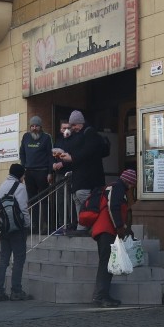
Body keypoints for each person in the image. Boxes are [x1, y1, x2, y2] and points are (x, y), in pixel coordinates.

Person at [89, 169, 137, 307]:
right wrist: (120, 227)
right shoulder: (118, 187)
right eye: (132, 184)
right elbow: (114, 207)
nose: (132, 187)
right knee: (105, 264)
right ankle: (100, 296)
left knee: (107, 264)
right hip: (106, 230)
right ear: (129, 182)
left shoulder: (115, 186)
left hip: (104, 230)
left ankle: (103, 295)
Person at [57, 110, 106, 234]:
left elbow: (87, 152)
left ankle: (91, 231)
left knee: (88, 210)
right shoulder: (80, 135)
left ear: (80, 123)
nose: (72, 128)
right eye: (71, 125)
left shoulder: (89, 133)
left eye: (74, 125)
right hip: (78, 183)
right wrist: (68, 156)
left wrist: (72, 157)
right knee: (83, 213)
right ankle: (82, 231)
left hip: (85, 182)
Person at [0, 164, 34, 302]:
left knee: (3, 259)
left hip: (3, 228)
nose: (24, 178)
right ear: (20, 175)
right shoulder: (20, 188)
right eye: (23, 175)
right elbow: (23, 209)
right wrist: (27, 225)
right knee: (18, 259)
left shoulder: (2, 186)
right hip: (17, 229)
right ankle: (16, 291)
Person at [19, 115, 53, 231]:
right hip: (29, 172)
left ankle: (46, 225)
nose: (34, 128)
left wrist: (50, 172)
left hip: (42, 172)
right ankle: (34, 225)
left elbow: (50, 156)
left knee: (44, 199)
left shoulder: (46, 138)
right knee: (32, 199)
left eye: (37, 126)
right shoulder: (26, 137)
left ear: (40, 127)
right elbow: (22, 153)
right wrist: (23, 168)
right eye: (32, 126)